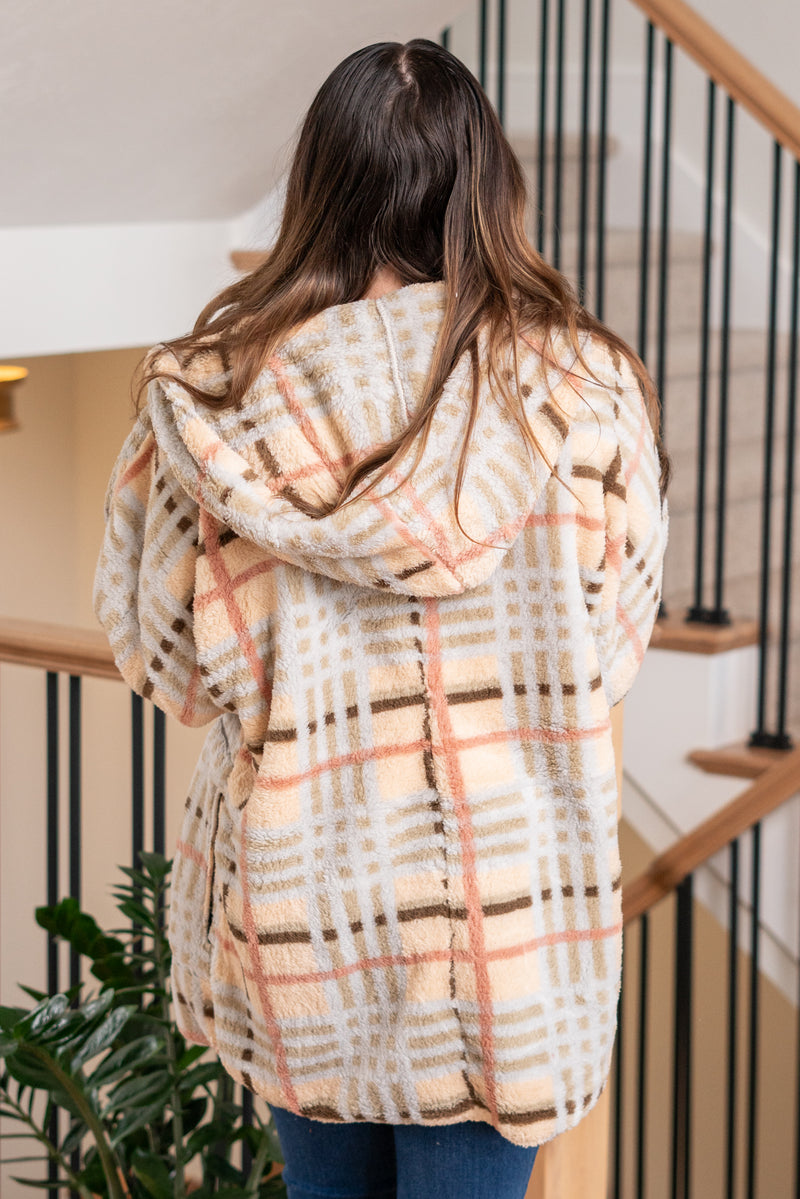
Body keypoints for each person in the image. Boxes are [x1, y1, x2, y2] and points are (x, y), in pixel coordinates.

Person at [94, 37, 668, 1199]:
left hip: (302, 921)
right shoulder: (583, 387)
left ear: (318, 185)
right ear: (484, 186)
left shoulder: (210, 395)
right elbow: (609, 653)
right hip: (505, 943)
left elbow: (169, 667)